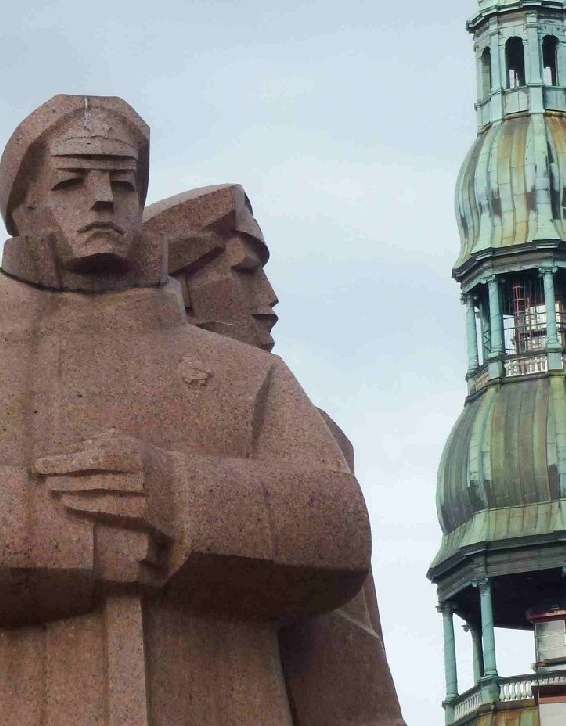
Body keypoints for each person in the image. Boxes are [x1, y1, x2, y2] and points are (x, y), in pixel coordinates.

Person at [0, 95, 373, 726]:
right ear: (24, 210)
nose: (103, 198)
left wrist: (176, 498)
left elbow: (338, 527)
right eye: (73, 182)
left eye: (122, 181)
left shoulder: (249, 376)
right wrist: (93, 538)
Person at [144, 184, 406, 726]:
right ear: (182, 286)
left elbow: (351, 651)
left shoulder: (310, 429)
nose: (269, 298)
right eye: (244, 273)